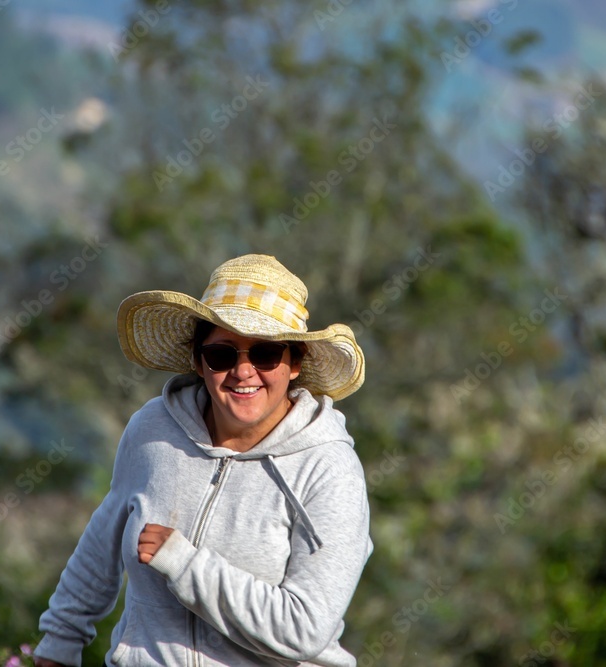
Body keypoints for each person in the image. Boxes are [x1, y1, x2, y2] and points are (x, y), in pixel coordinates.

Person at [33, 254, 372, 667]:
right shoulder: (151, 430)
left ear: (296, 363)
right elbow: (101, 541)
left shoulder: (329, 468)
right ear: (198, 361)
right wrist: (59, 644)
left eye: (265, 353)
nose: (243, 372)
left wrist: (184, 563)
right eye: (222, 355)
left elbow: (305, 628)